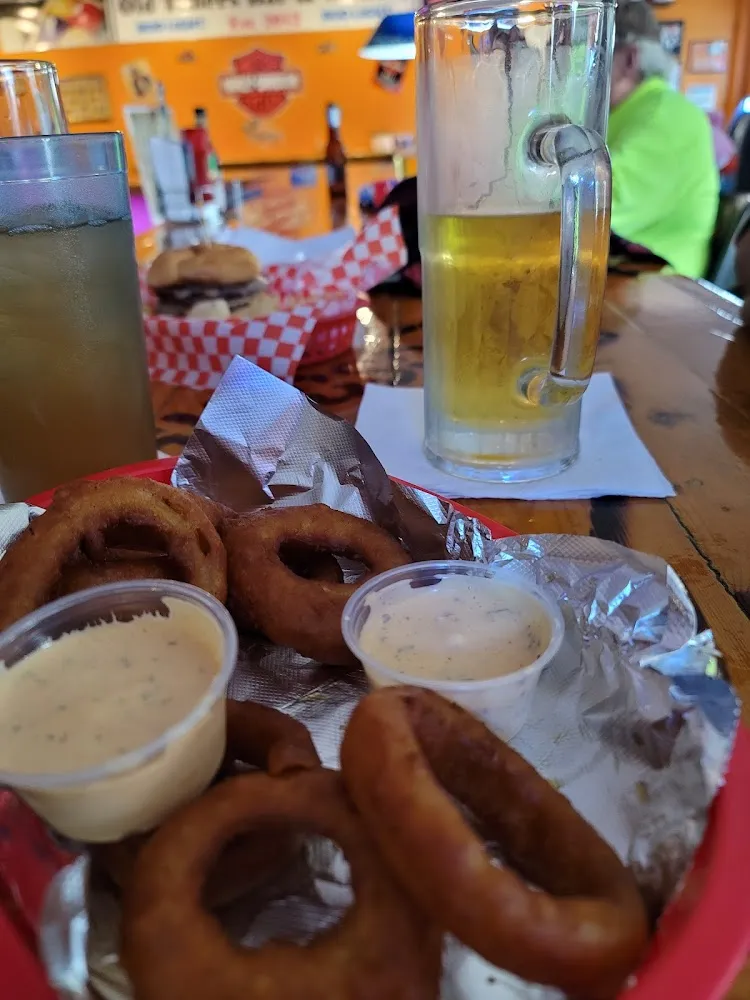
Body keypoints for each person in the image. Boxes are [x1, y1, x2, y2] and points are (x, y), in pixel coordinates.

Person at [608, 1, 719, 278]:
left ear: (630, 59)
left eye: (589, 53)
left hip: (661, 291)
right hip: (625, 276)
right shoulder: (627, 111)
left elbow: (593, 206)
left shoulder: (665, 114)